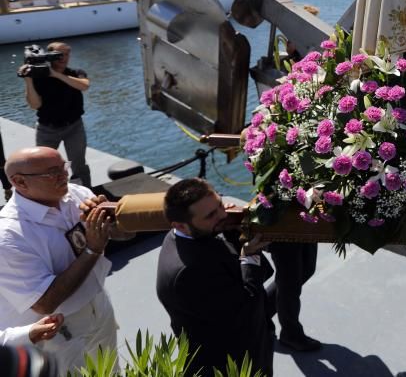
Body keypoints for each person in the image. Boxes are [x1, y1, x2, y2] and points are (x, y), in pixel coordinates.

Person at [0, 146, 127, 375]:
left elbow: (125, 235)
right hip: (57, 334)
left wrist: (112, 220)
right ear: (19, 182)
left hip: (98, 308)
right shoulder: (8, 236)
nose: (64, 175)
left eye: (63, 167)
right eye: (52, 172)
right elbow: (45, 302)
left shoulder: (77, 194)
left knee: (111, 372)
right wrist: (92, 249)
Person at [156, 178, 275, 376]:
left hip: (249, 350)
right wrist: (250, 255)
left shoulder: (200, 234)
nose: (223, 214)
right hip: (228, 366)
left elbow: (260, 276)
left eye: (220, 204)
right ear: (181, 225)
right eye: (211, 214)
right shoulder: (189, 273)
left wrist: (234, 234)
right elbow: (247, 311)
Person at [21, 42, 91, 188]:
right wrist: (28, 80)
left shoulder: (75, 73)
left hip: (74, 126)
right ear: (49, 56)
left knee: (77, 163)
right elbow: (35, 105)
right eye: (58, 55)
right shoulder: (39, 77)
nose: (63, 58)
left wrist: (56, 75)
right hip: (47, 129)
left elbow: (84, 85)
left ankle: (85, 191)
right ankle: (48, 192)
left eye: (66, 54)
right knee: (43, 163)